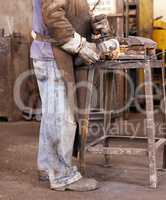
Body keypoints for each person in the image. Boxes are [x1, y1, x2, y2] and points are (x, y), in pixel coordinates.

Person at [30, 0, 118, 191]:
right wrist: (80, 45)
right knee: (62, 117)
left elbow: (69, 13)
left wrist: (89, 26)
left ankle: (47, 167)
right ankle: (62, 176)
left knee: (53, 116)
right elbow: (53, 15)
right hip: (52, 55)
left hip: (56, 54)